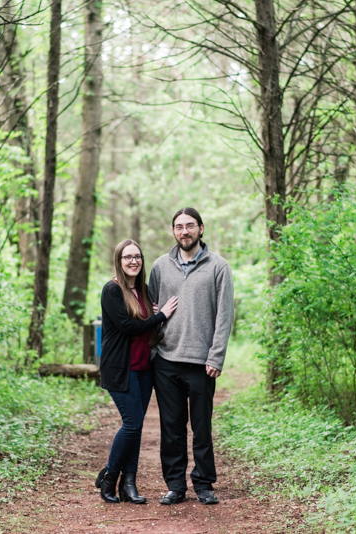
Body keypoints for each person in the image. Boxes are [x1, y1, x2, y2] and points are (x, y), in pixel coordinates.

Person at [148, 207, 234, 506]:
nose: (184, 231)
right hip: (166, 360)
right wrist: (151, 352)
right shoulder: (160, 266)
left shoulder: (218, 266)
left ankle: (203, 484)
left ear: (201, 228)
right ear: (173, 231)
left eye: (189, 226)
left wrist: (216, 356)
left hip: (201, 362)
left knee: (201, 427)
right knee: (171, 428)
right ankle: (175, 485)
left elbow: (225, 315)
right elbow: (151, 310)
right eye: (178, 226)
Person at [95, 239, 178, 504]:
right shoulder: (112, 290)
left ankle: (129, 485)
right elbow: (128, 327)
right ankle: (109, 476)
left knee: (137, 426)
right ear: (119, 261)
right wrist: (161, 315)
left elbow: (146, 327)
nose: (133, 261)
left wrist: (154, 314)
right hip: (121, 368)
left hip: (144, 367)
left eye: (138, 256)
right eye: (127, 257)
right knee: (132, 424)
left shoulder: (143, 291)